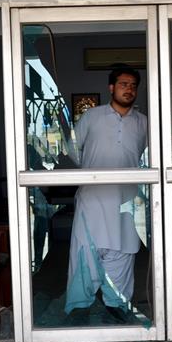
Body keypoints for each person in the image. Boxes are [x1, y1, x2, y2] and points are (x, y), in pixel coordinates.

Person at [64, 66, 148, 317]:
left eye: (133, 85)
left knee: (123, 251)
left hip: (126, 200)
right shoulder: (92, 116)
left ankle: (117, 304)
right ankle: (80, 305)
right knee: (85, 252)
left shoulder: (143, 122)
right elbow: (72, 150)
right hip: (93, 198)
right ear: (111, 87)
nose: (129, 89)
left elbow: (143, 152)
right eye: (123, 84)